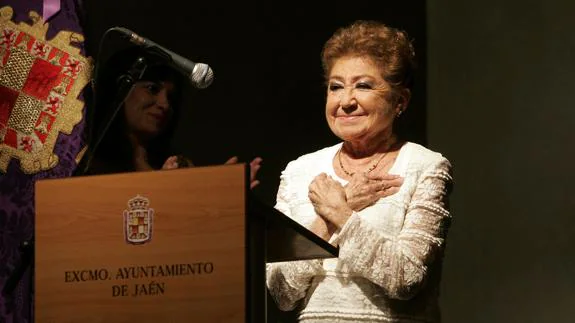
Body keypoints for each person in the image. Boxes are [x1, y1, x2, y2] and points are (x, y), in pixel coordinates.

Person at [266, 20, 453, 322]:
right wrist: (330, 219)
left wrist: (342, 213)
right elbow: (282, 293)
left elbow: (406, 279)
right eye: (336, 87)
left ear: (400, 101)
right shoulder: (299, 171)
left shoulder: (424, 166)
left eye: (363, 85)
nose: (345, 101)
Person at [81, 46, 261, 187]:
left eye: (171, 98)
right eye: (153, 89)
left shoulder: (178, 165)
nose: (165, 105)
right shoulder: (85, 162)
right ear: (121, 88)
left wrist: (218, 191)